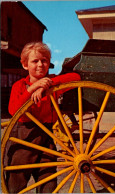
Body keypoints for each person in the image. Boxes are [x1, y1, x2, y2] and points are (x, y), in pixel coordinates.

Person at [5, 42, 81, 193]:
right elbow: (14, 110)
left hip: (46, 135)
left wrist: (47, 85)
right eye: (35, 61)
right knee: (16, 179)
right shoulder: (19, 86)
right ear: (25, 65)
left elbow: (76, 77)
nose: (40, 64)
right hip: (23, 136)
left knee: (48, 178)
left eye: (44, 60)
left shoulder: (52, 83)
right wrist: (32, 88)